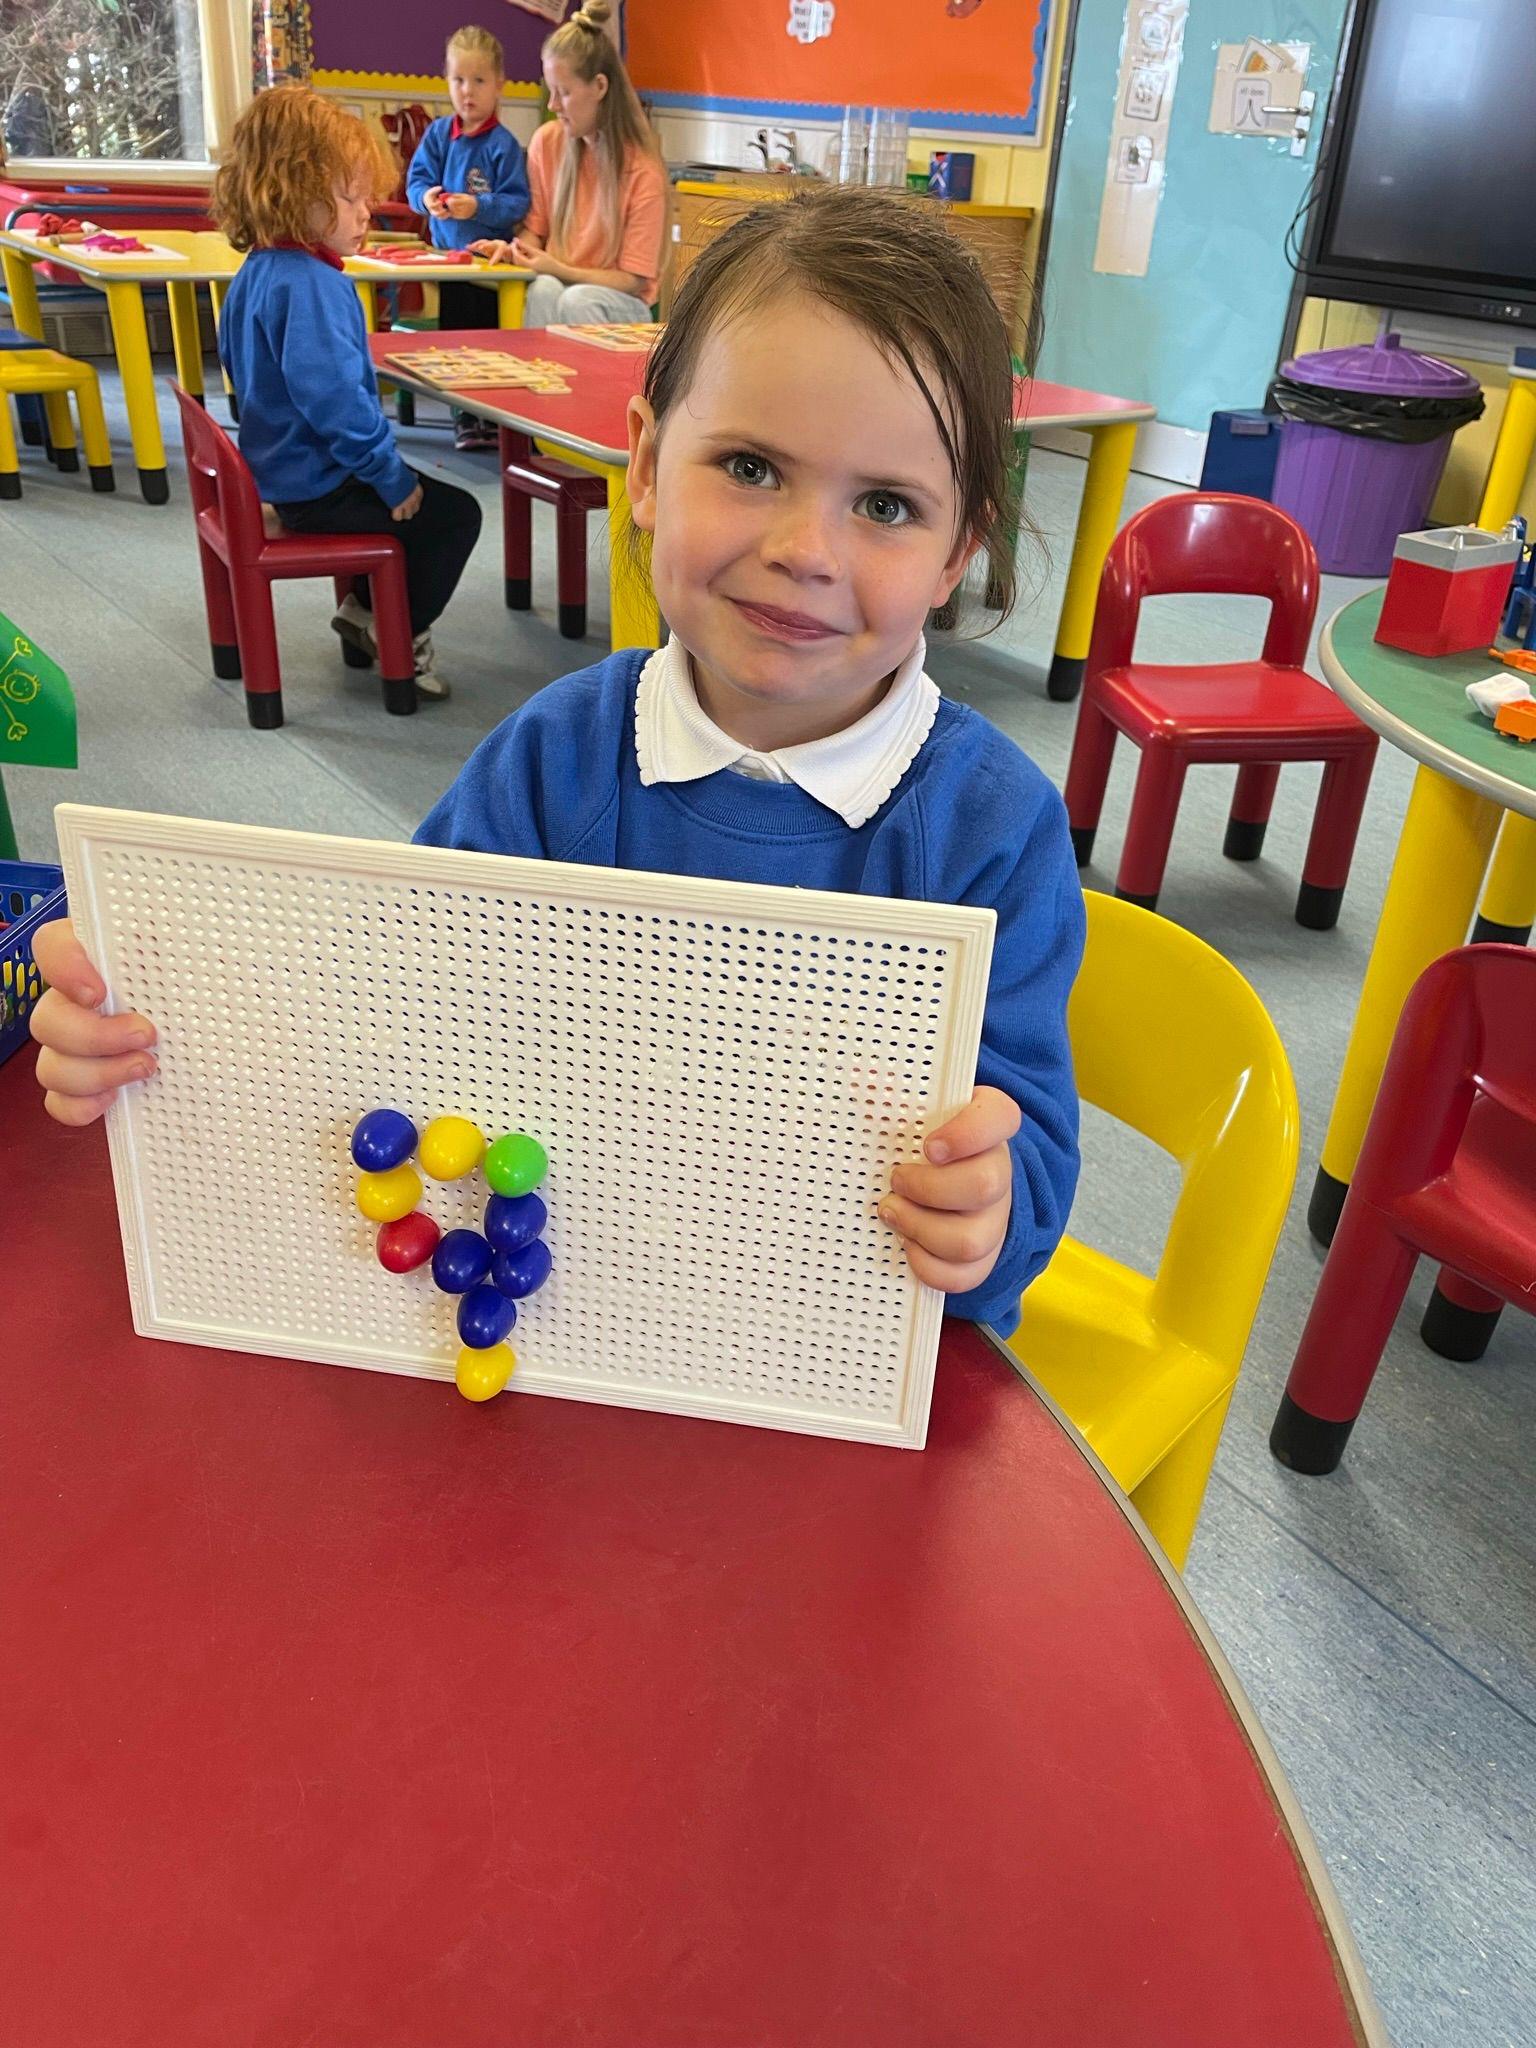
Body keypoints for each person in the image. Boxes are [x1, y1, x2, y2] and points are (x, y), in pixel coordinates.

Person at [29, 185, 1083, 1335]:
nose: (806, 551)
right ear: (648, 463)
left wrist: (985, 1213)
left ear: (956, 552)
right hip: (568, 1310)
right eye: (749, 467)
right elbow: (390, 1001)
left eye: (885, 503)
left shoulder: (991, 829)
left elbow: (1022, 1177)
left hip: (824, 1347)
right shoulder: (556, 757)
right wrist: (152, 1021)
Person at [212, 86, 482, 701]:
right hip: (321, 485)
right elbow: (337, 405)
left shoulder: (254, 272)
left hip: (281, 474)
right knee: (452, 517)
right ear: (292, 192)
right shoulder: (314, 284)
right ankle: (393, 629)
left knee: (424, 506)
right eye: (349, 198)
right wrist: (390, 476)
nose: (367, 213)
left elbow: (237, 369)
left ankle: (364, 611)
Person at [471, 0, 665, 331]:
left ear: (600, 87)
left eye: (563, 93)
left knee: (578, 299)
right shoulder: (548, 142)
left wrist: (560, 270)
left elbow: (633, 280)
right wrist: (514, 251)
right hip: (561, 284)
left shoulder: (643, 170)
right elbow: (537, 231)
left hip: (621, 301)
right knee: (544, 289)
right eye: (551, 91)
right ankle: (537, 365)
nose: (553, 105)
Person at [405, 24, 531, 450]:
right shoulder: (439, 134)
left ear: (499, 85)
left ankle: (491, 414)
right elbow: (416, 183)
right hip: (449, 261)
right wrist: (427, 199)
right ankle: (463, 414)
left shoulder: (503, 145)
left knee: (491, 339)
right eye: (458, 79)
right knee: (455, 338)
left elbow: (516, 203)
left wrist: (478, 206)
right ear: (447, 80)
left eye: (479, 80)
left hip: (490, 265)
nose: (467, 91)